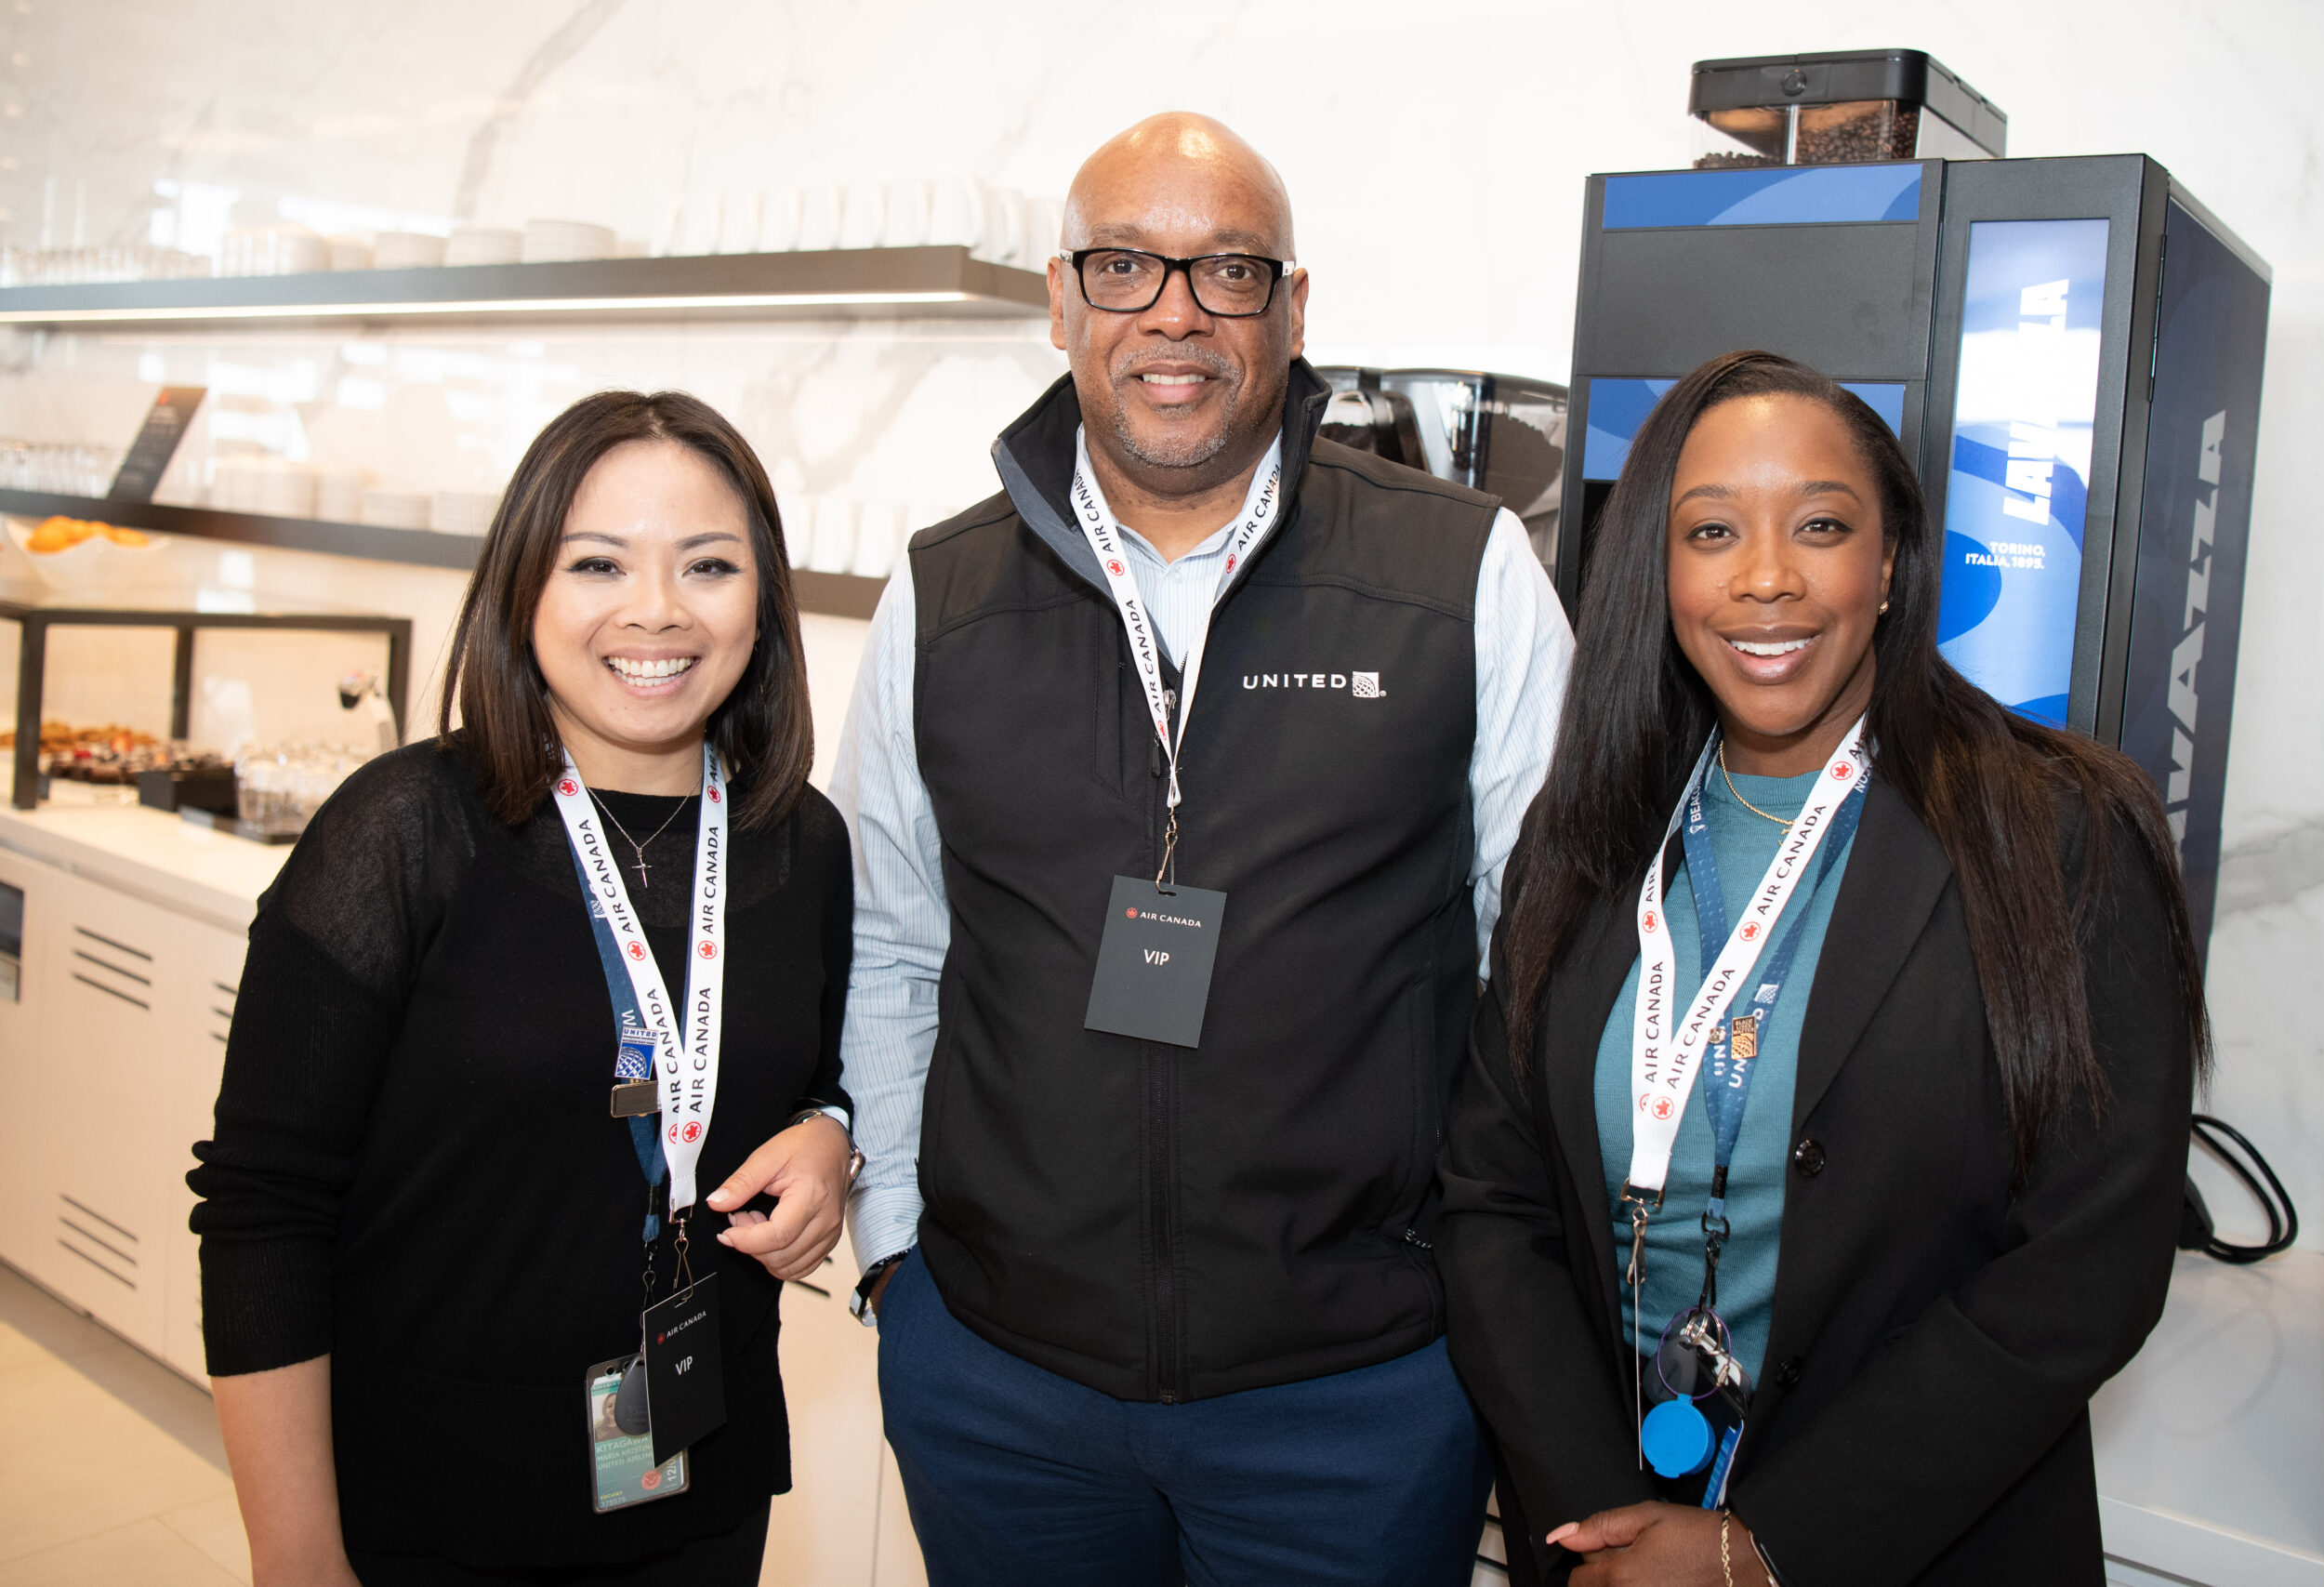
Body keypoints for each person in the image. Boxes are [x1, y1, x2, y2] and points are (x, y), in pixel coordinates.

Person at [800, 111, 1573, 1585]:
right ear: (1059, 300)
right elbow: (896, 939)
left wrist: (1471, 1284)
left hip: (1352, 1398)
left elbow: (1536, 964)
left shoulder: (1460, 572)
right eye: (1123, 267)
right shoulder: (943, 593)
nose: (1172, 313)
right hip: (1001, 1384)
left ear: (1291, 307)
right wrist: (901, 1257)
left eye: (1225, 271)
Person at [1436, 350, 2208, 1586]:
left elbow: (2089, 1268)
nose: (1766, 579)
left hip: (1912, 1543)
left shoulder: (2058, 833)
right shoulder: (1584, 835)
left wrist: (1766, 1548)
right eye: (1712, 531)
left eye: (1821, 525)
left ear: (1892, 562)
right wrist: (1597, 1520)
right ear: (1659, 567)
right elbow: (1493, 1197)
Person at [191, 390, 859, 1587]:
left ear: (762, 597)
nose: (655, 610)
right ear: (523, 590)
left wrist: (829, 1136)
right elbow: (261, 1212)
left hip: (699, 1483)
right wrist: (295, 1556)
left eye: (707, 565)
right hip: (432, 1511)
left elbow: (813, 1077)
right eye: (597, 562)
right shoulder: (403, 831)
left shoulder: (797, 841)